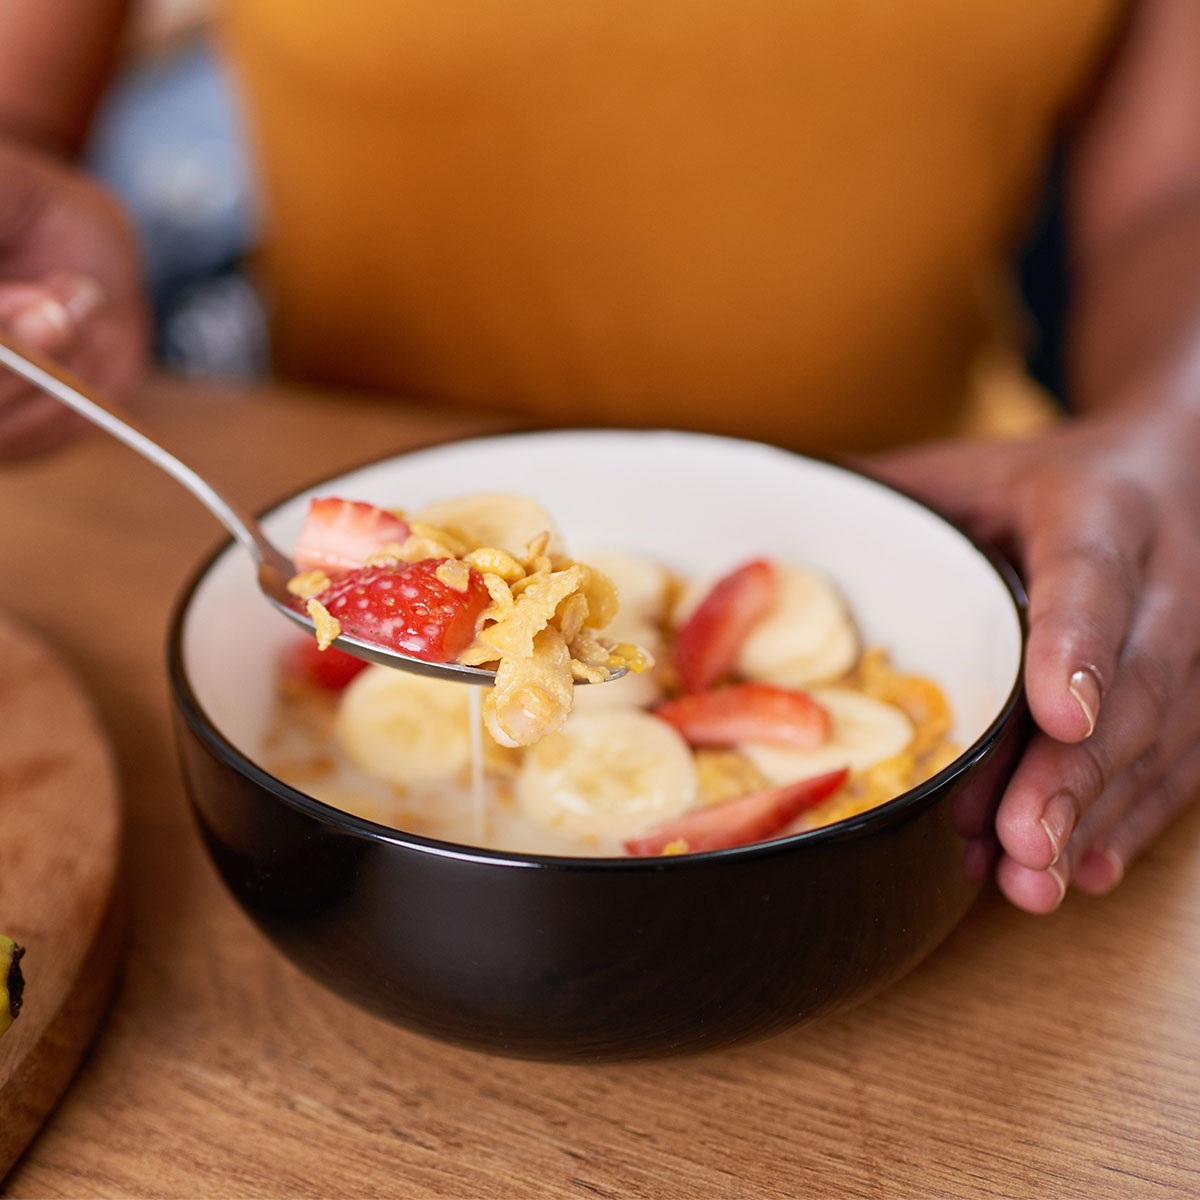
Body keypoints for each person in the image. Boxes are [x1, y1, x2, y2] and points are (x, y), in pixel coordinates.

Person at [1, 0, 1198, 915]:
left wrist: (1169, 437)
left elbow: (1173, 197)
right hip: (320, 460)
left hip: (956, 525)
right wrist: (34, 256)